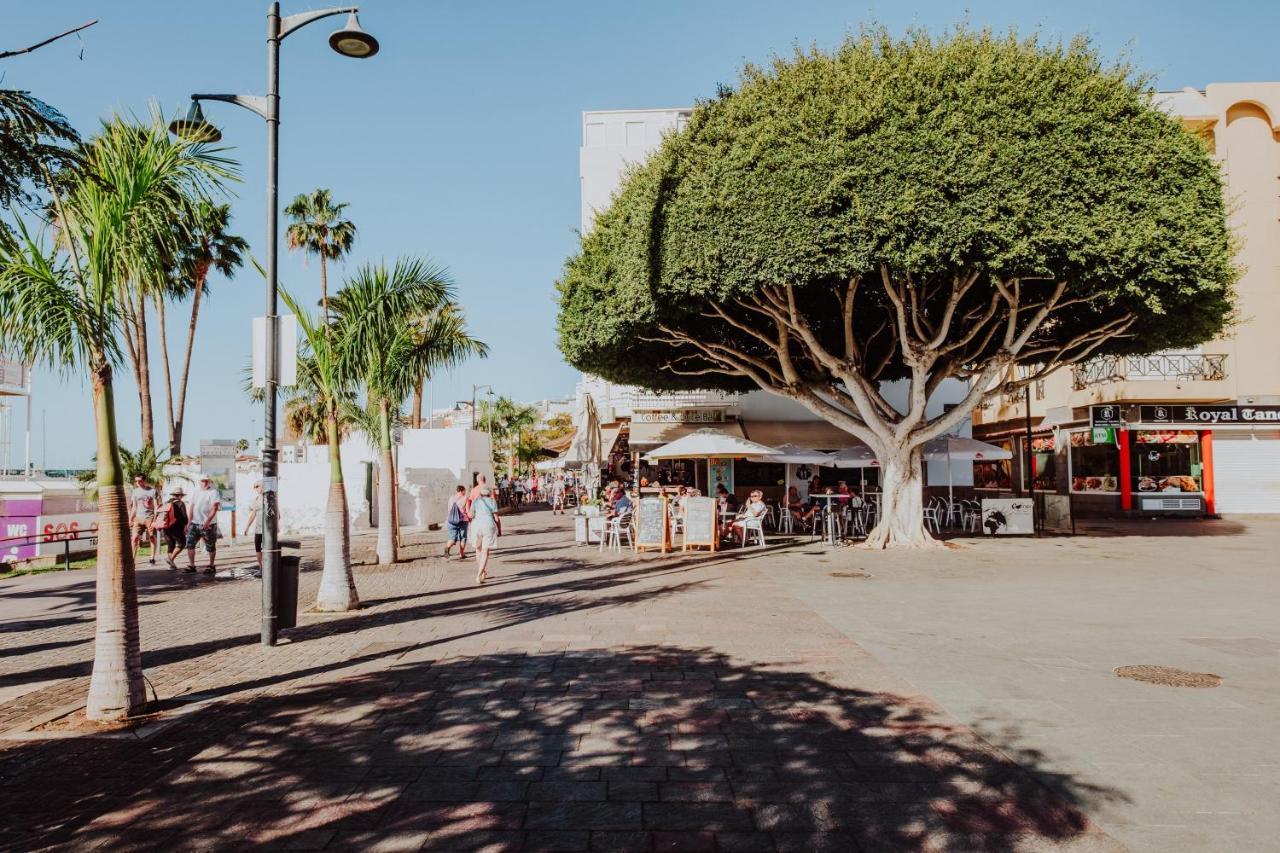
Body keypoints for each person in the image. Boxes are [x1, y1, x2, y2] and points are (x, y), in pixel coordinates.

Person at [185, 475, 221, 575]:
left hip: (208, 524)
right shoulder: (196, 492)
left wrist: (208, 521)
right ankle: (192, 565)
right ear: (199, 482)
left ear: (209, 482)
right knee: (190, 544)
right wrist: (188, 522)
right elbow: (192, 507)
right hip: (195, 523)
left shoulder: (214, 492)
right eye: (202, 481)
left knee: (210, 546)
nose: (204, 483)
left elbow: (214, 507)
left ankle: (211, 565)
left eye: (206, 481)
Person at [468, 484, 501, 584]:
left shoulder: (475, 501)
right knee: (485, 551)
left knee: (478, 550)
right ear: (489, 493)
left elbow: (470, 515)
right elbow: (496, 518)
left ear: (481, 494)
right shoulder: (492, 501)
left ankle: (482, 572)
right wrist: (499, 529)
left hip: (477, 526)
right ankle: (479, 574)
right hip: (488, 526)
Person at [154, 488, 189, 570]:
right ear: (180, 496)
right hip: (177, 528)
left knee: (171, 545)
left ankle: (172, 565)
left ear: (173, 495)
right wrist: (185, 524)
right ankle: (170, 559)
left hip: (166, 527)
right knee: (182, 544)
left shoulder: (166, 503)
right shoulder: (181, 503)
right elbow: (184, 517)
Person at [129, 474, 159, 565]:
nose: (138, 483)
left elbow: (156, 506)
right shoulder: (134, 492)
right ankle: (132, 560)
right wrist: (130, 519)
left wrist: (154, 519)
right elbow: (134, 507)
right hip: (138, 518)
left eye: (140, 481)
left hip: (149, 517)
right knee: (134, 538)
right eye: (136, 481)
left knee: (151, 537)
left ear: (144, 481)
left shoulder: (152, 491)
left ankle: (152, 558)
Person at [241, 481, 265, 572]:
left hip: (267, 530)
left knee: (268, 549)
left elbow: (277, 513)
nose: (256, 488)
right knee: (258, 548)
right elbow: (253, 514)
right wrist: (247, 527)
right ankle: (261, 567)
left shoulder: (269, 498)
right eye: (255, 487)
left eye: (257, 486)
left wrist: (277, 526)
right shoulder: (255, 500)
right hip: (258, 530)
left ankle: (268, 567)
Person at [444, 485, 469, 560]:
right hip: (462, 521)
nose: (465, 492)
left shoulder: (451, 498)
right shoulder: (465, 498)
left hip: (451, 521)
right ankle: (461, 554)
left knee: (452, 538)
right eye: (465, 491)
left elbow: (449, 509)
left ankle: (447, 547)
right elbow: (467, 511)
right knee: (463, 538)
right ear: (462, 491)